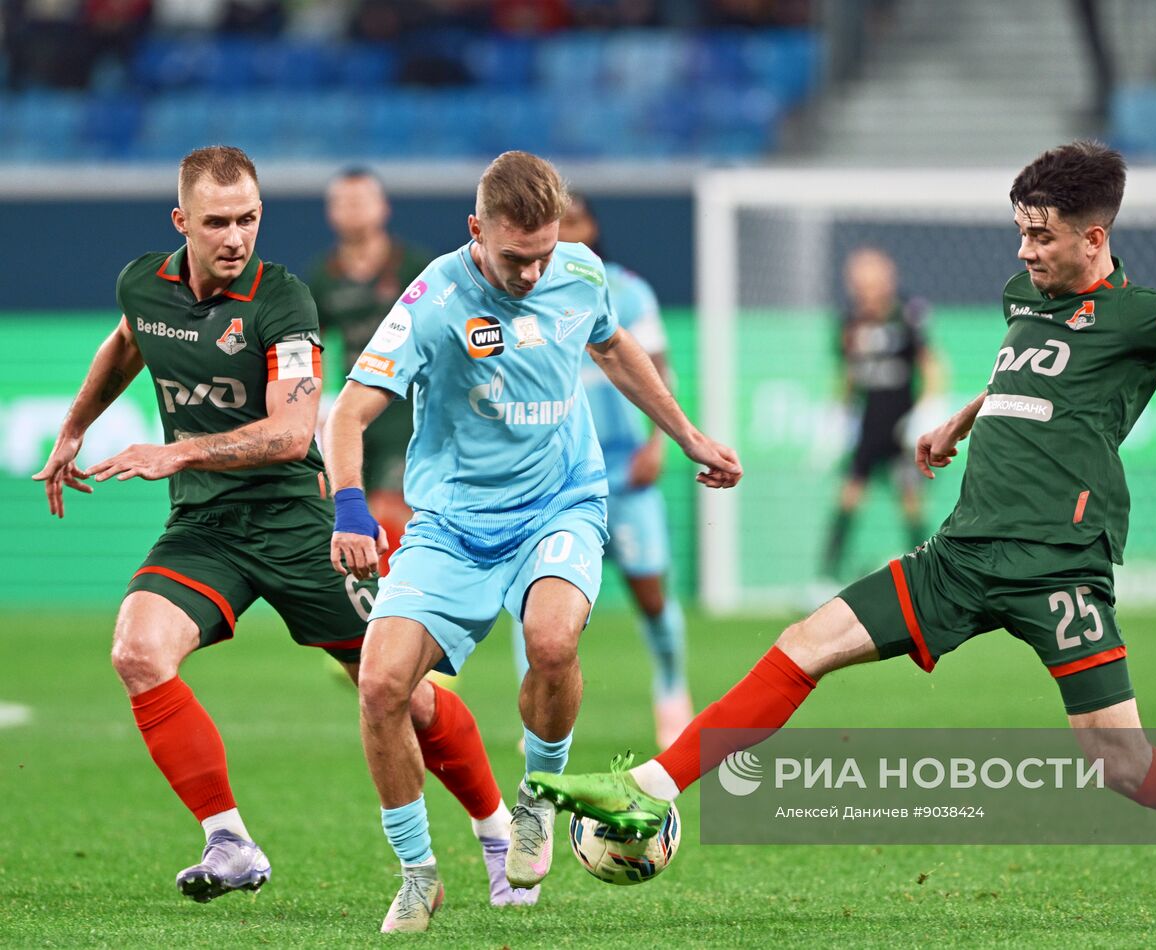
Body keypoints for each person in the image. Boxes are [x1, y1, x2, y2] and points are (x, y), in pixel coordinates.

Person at [529, 141, 1156, 929]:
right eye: (1021, 232)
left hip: (1060, 568)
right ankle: (650, 786)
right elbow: (1023, 369)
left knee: (1124, 766)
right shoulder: (1025, 296)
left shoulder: (1139, 317)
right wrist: (960, 419)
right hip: (961, 555)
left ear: (1094, 237)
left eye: (1043, 236)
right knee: (804, 645)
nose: (1027, 251)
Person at [31, 145, 528, 911]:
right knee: (137, 650)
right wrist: (73, 428)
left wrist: (177, 451)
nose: (236, 237)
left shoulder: (284, 299)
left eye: (249, 219)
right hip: (205, 526)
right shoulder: (143, 282)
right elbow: (129, 340)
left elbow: (294, 433)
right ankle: (229, 841)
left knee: (405, 693)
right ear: (181, 223)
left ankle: (497, 834)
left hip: (298, 524)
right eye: (218, 222)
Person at [325, 151, 741, 933]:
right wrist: (350, 506)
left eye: (544, 253)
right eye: (516, 258)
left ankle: (536, 802)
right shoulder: (434, 300)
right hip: (450, 523)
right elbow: (348, 412)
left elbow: (615, 347)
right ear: (476, 230)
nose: (531, 272)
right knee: (381, 687)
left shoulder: (578, 271)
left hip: (560, 502)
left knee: (552, 643)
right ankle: (418, 873)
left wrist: (687, 436)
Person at [509, 192, 694, 749]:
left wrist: (660, 443)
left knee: (650, 594)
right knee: (535, 601)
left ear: (594, 227)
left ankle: (671, 688)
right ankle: (536, 710)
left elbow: (659, 369)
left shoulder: (628, 290)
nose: (568, 230)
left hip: (622, 472)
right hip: (551, 477)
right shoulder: (520, 290)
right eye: (557, 223)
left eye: (577, 220)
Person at [306, 168, 434, 577]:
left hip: (407, 413)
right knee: (357, 511)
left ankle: (399, 606)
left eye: (361, 200)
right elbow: (310, 347)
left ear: (383, 207)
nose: (353, 210)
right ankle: (378, 610)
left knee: (390, 510)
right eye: (343, 202)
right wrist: (313, 405)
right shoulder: (323, 279)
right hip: (357, 413)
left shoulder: (416, 266)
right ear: (330, 213)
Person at [821, 246, 942, 582]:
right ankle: (825, 579)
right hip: (869, 428)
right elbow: (847, 373)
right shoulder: (850, 322)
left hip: (902, 428)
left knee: (911, 501)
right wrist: (839, 413)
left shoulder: (908, 314)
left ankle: (926, 577)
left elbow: (931, 365)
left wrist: (925, 412)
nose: (865, 291)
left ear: (887, 281)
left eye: (871, 282)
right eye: (859, 284)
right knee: (848, 498)